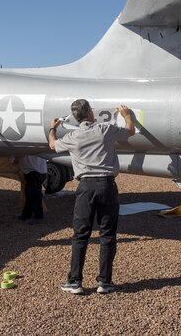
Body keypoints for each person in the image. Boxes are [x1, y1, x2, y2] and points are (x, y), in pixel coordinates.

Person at [49, 99, 135, 294]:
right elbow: (130, 131)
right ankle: (104, 282)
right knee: (107, 234)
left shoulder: (72, 137)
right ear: (89, 114)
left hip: (85, 187)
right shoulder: (105, 129)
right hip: (106, 186)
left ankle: (75, 281)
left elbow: (53, 145)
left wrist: (52, 128)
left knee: (80, 235)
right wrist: (126, 114)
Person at [16, 155, 47, 224]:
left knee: (35, 194)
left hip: (34, 170)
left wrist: (13, 159)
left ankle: (38, 216)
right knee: (29, 193)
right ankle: (27, 214)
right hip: (35, 169)